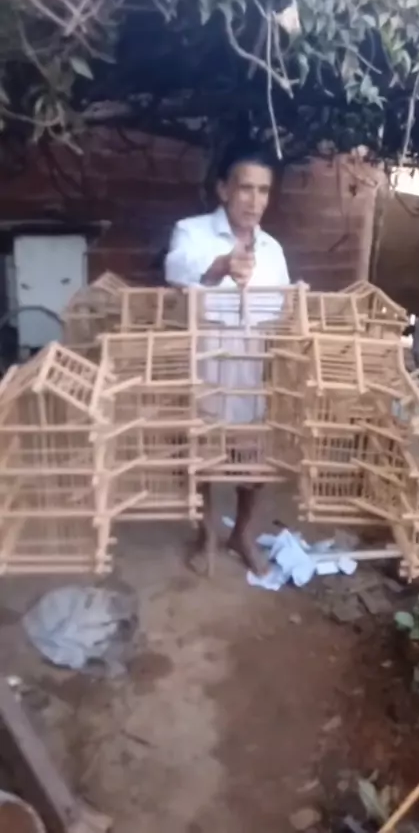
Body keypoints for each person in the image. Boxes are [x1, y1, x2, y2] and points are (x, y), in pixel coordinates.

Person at [164, 145, 290, 575]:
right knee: (201, 455)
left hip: (256, 366)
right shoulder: (191, 232)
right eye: (245, 188)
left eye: (263, 190)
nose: (254, 201)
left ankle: (243, 533)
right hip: (207, 364)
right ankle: (207, 536)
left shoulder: (272, 249)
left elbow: (283, 309)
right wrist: (218, 267)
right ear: (223, 189)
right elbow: (176, 269)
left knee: (254, 460)